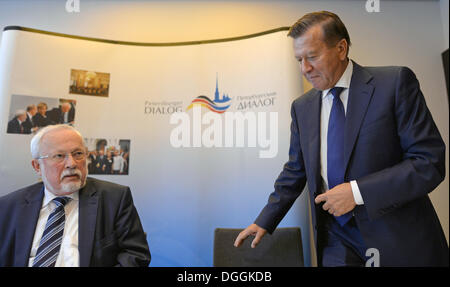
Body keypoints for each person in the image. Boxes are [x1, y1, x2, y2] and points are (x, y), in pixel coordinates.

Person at [234, 11, 448, 267]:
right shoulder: (301, 107)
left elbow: (429, 163)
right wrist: (265, 220)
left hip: (396, 238)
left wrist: (357, 193)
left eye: (312, 57)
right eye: (299, 60)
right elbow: (295, 170)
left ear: (341, 48)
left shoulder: (394, 83)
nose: (305, 69)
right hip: (335, 240)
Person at [0, 125, 151, 267]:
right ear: (37, 166)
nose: (71, 163)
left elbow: (136, 254)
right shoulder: (9, 206)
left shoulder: (114, 198)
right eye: (59, 156)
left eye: (78, 154)